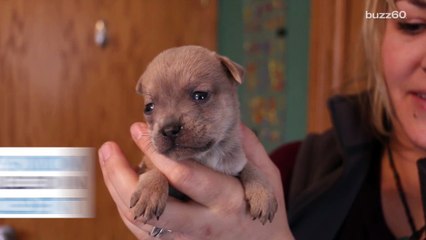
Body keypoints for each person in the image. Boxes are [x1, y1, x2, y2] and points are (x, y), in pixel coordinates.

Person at [98, 0, 426, 239]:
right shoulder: (294, 169)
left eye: (199, 96)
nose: (168, 124)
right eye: (413, 24)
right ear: (378, 31)